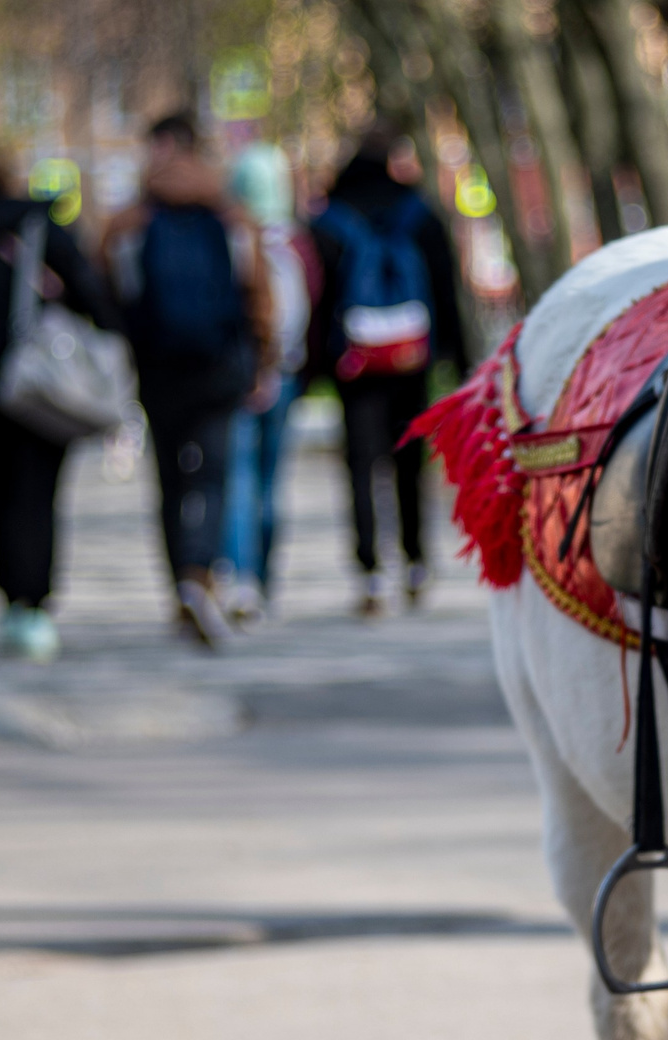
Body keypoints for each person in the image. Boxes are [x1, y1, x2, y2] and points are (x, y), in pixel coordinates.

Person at [0, 147, 119, 663]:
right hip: (41, 384)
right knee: (40, 495)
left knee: (1, 493)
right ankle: (35, 603)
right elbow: (91, 293)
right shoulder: (39, 229)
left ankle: (11, 599)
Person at [104, 114, 275, 648]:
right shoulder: (232, 217)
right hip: (221, 365)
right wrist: (264, 358)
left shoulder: (129, 221)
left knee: (169, 480)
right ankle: (203, 575)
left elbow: (107, 291)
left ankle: (179, 586)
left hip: (157, 368)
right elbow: (259, 295)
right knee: (214, 475)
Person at [309, 131, 467, 617]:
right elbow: (446, 288)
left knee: (360, 463)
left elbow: (317, 298)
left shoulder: (328, 221)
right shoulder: (418, 214)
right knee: (408, 458)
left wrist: (314, 364)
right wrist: (455, 357)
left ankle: (370, 570)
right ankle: (416, 560)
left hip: (353, 362)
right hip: (411, 357)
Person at [222, 142, 316, 623]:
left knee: (239, 479)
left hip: (244, 371)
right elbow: (304, 310)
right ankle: (261, 579)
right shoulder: (293, 242)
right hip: (283, 371)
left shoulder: (237, 239)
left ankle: (241, 579)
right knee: (268, 481)